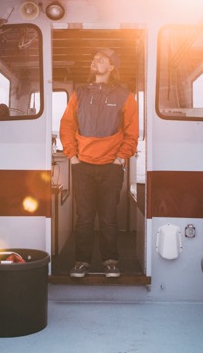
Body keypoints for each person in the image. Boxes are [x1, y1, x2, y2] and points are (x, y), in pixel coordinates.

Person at [59, 48, 139, 278]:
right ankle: (81, 261)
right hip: (82, 165)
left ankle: (110, 261)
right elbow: (67, 126)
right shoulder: (80, 93)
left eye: (103, 59)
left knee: (108, 217)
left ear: (112, 67)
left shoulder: (125, 96)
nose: (97, 60)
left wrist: (119, 159)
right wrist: (72, 156)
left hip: (111, 167)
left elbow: (131, 133)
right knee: (84, 217)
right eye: (95, 58)